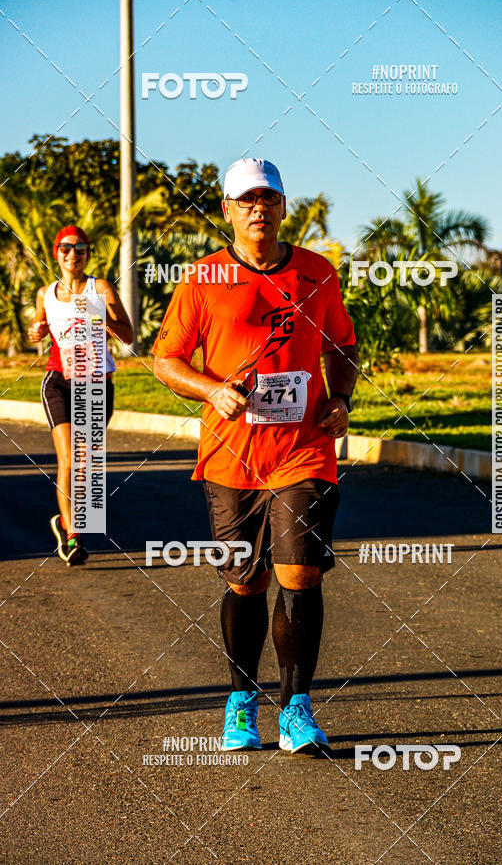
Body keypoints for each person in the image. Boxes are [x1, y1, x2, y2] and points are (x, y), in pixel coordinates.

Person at [153, 158, 357, 754]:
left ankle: (297, 708)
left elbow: (342, 343)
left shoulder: (317, 273)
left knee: (300, 573)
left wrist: (340, 398)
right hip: (230, 454)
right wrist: (212, 389)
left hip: (303, 451)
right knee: (248, 581)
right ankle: (240, 698)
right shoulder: (202, 277)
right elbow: (167, 359)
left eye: (268, 198)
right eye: (245, 200)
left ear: (284, 206)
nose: (257, 209)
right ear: (227, 210)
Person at [28, 225, 133, 565]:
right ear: (56, 253)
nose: (72, 254)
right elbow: (38, 326)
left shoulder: (99, 287)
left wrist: (104, 319)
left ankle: (62, 520)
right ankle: (73, 537)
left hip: (96, 383)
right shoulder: (46, 292)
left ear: (88, 253)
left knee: (85, 467)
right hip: (57, 380)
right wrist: (37, 330)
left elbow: (128, 334)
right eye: (65, 248)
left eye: (80, 248)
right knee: (69, 460)